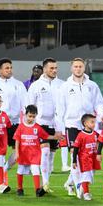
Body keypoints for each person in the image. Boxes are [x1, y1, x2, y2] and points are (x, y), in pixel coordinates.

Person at [57, 58, 103, 195]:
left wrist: (102, 114)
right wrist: (60, 128)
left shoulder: (92, 85)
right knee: (75, 154)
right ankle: (80, 187)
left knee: (86, 157)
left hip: (89, 126)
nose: (78, 69)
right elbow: (60, 109)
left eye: (81, 66)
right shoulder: (65, 87)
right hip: (72, 125)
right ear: (71, 68)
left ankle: (69, 183)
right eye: (76, 66)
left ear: (84, 68)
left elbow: (99, 103)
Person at [27, 57, 64, 192]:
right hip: (41, 124)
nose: (54, 70)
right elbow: (29, 105)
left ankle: (46, 183)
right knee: (46, 152)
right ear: (45, 69)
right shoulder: (36, 85)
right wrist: (30, 124)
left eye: (56, 68)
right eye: (51, 68)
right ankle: (45, 184)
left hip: (56, 125)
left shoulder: (62, 84)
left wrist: (61, 126)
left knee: (52, 157)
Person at [0, 58, 27, 167]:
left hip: (14, 122)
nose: (9, 70)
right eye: (6, 68)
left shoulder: (19, 85)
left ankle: (6, 168)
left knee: (19, 148)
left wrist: (26, 120)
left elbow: (25, 103)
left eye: (11, 67)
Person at [13, 104, 51, 197]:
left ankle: (37, 190)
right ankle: (19, 188)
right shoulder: (21, 127)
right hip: (23, 153)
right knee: (20, 170)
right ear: (25, 115)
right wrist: (17, 152)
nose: (31, 118)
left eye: (33, 116)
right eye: (30, 116)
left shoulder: (37, 127)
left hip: (34, 153)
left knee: (36, 170)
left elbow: (46, 136)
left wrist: (56, 137)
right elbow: (17, 140)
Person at [71, 113, 100, 202]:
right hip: (84, 159)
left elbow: (101, 141)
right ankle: (86, 193)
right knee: (86, 176)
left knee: (90, 177)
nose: (94, 124)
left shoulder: (95, 134)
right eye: (92, 122)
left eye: (94, 122)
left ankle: (81, 192)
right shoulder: (81, 135)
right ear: (85, 123)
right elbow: (76, 148)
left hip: (93, 158)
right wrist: (74, 160)